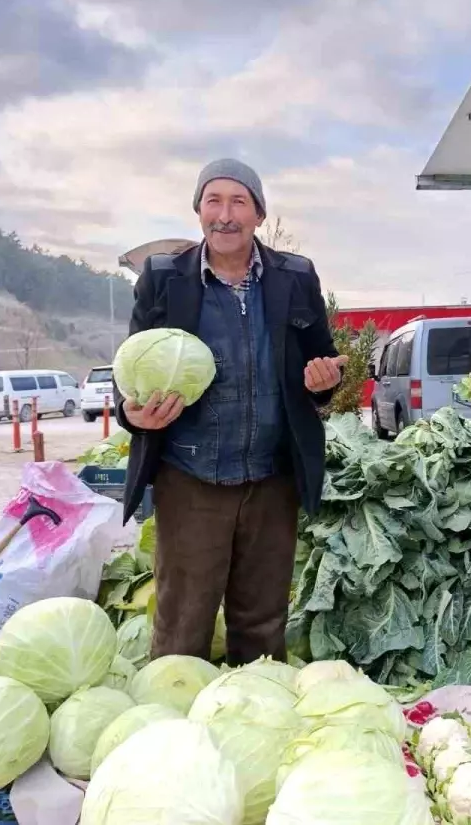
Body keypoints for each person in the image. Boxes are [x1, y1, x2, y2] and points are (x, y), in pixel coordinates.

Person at [115, 158, 346, 665]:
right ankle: (177, 726)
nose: (225, 214)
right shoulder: (162, 278)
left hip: (272, 477)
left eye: (238, 201)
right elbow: (130, 370)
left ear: (259, 214)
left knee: (262, 623)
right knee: (182, 623)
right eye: (213, 201)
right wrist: (134, 415)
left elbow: (321, 363)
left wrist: (324, 382)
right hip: (191, 478)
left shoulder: (295, 276)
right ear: (198, 210)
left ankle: (257, 720)